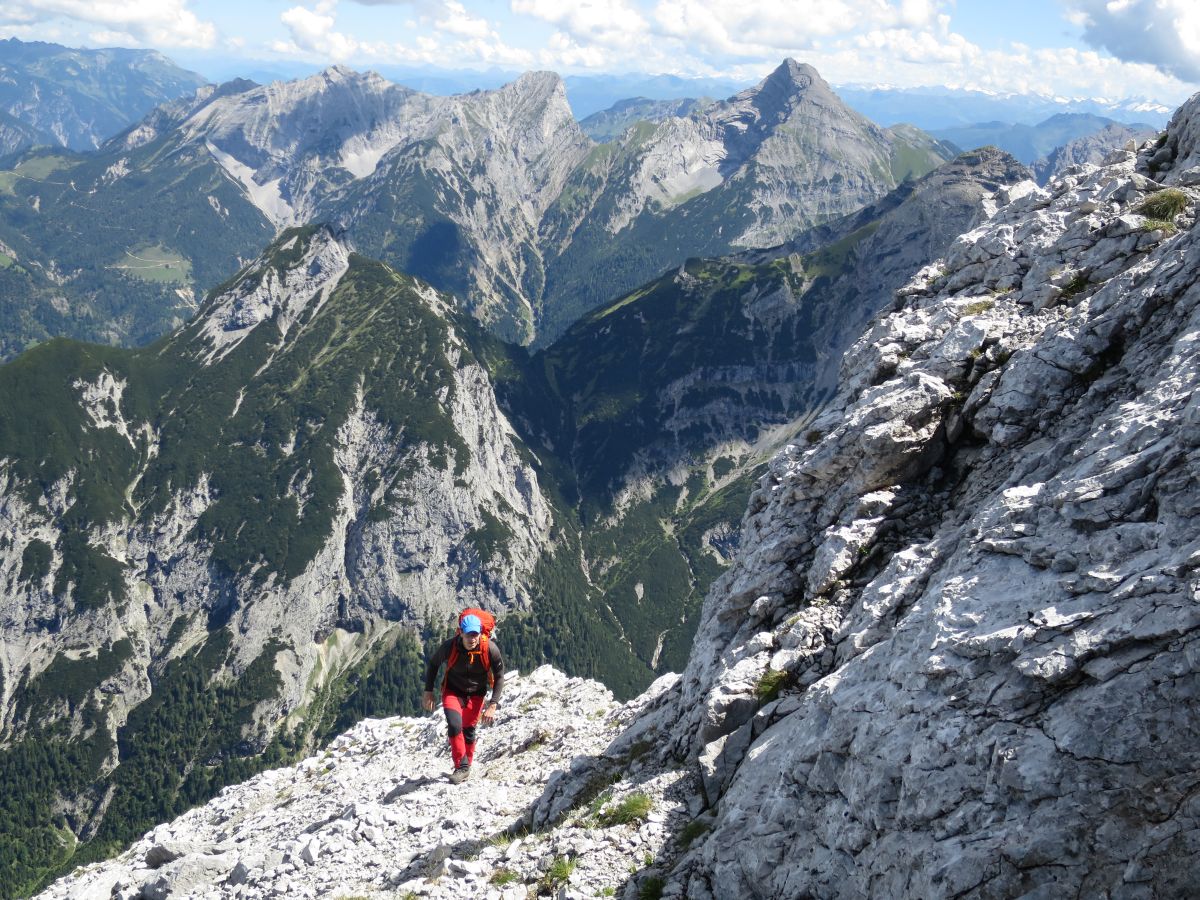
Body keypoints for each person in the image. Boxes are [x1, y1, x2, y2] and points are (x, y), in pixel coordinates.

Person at [423, 613, 505, 783]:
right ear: (460, 632)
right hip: (452, 691)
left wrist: (493, 704)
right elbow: (433, 664)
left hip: (476, 695)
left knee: (468, 730)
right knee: (454, 725)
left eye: (475, 634)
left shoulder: (489, 648)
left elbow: (499, 676)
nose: (472, 638)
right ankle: (461, 766)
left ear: (480, 633)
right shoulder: (450, 646)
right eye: (468, 634)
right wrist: (428, 691)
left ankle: (466, 766)